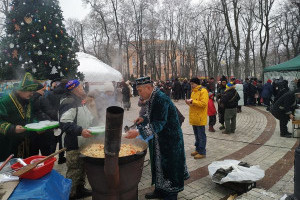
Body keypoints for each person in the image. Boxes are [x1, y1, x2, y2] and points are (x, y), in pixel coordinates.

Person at [125, 77, 189, 200]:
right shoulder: (151, 97)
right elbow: (153, 115)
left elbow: (159, 123)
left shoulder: (160, 98)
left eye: (139, 90)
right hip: (159, 139)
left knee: (169, 168)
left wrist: (138, 132)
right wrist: (144, 118)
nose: (138, 93)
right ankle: (159, 190)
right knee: (158, 166)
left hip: (170, 141)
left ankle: (170, 194)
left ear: (148, 88)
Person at [59, 80, 95, 199]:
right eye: (80, 87)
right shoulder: (69, 102)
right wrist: (80, 130)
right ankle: (70, 194)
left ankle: (80, 189)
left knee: (82, 168)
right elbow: (64, 123)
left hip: (83, 141)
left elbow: (86, 117)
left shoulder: (79, 101)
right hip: (74, 143)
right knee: (74, 170)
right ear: (74, 89)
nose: (83, 89)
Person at [0, 72, 40, 161]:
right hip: (8, 145)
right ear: (20, 90)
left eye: (33, 91)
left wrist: (37, 126)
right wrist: (12, 128)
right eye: (30, 91)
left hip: (25, 144)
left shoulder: (28, 100)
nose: (32, 94)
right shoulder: (5, 101)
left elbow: (30, 116)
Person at [186, 77, 208, 159]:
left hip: (200, 117)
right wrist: (188, 103)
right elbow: (193, 104)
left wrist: (192, 101)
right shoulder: (193, 92)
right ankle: (198, 149)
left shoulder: (203, 91)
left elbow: (203, 104)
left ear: (197, 83)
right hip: (194, 117)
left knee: (201, 136)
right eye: (190, 84)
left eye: (193, 84)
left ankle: (202, 152)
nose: (191, 85)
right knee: (197, 136)